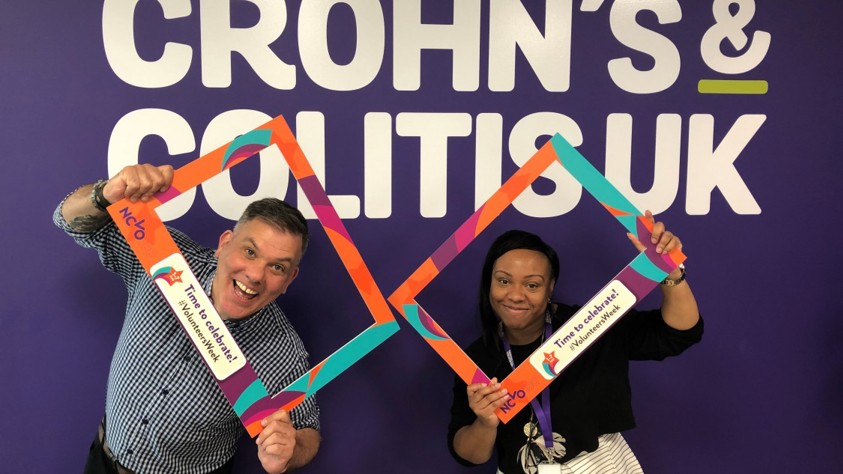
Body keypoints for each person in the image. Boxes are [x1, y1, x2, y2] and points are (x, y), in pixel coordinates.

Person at [54, 164, 321, 474]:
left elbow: (307, 430)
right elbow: (69, 220)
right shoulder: (163, 255)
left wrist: (290, 450)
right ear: (224, 244)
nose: (255, 274)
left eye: (277, 268)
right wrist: (104, 194)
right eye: (249, 251)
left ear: (290, 279)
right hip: (103, 461)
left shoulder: (281, 349)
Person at [447, 213, 702, 474]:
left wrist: (669, 271)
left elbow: (679, 332)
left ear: (550, 289)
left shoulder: (589, 325)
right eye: (503, 281)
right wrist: (485, 422)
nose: (515, 295)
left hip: (602, 467)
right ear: (488, 285)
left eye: (532, 285)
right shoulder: (476, 358)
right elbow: (469, 456)